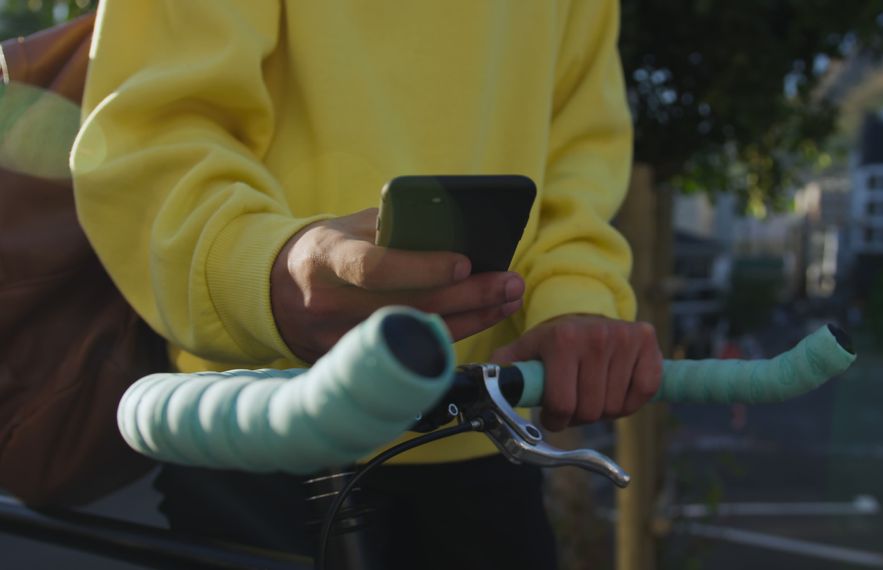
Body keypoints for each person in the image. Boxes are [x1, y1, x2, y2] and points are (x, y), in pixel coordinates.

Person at [72, 1, 662, 567]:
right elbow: (152, 127)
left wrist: (576, 299)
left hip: (475, 428)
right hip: (255, 424)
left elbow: (579, 144)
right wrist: (265, 272)